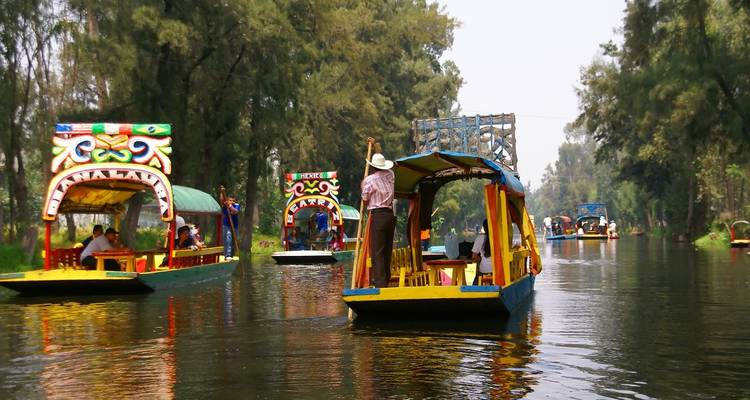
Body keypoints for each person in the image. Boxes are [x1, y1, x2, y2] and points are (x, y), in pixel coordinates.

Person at [361, 152, 396, 288]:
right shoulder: (391, 175)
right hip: (389, 214)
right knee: (387, 249)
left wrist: (363, 183)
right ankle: (385, 279)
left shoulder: (369, 180)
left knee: (378, 251)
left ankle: (381, 285)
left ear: (372, 167)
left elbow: (365, 199)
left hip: (379, 215)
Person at [472, 220, 493, 285]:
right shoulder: (500, 237)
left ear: (484, 227)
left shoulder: (480, 238)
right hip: (498, 272)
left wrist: (480, 259)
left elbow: (474, 256)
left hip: (484, 271)